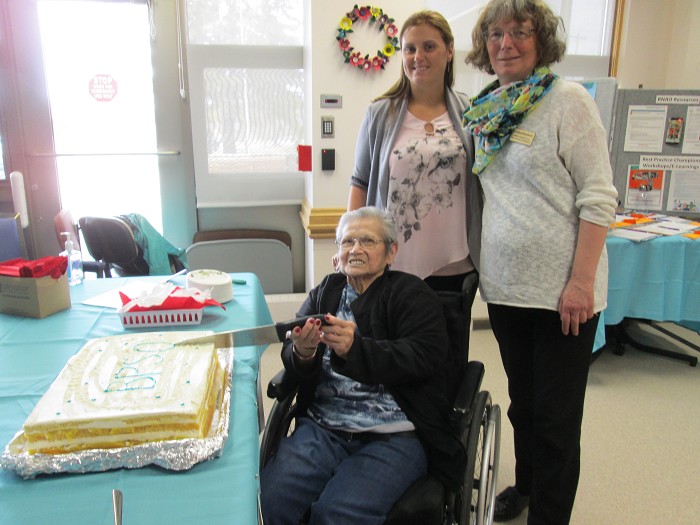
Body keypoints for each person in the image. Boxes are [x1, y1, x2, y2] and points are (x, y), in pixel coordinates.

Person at [463, 1, 618, 523]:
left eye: (520, 32)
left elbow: (599, 197)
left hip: (562, 297)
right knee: (524, 406)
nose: (506, 43)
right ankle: (527, 486)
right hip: (507, 290)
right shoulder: (487, 109)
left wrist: (580, 282)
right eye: (495, 34)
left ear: (541, 40)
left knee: (555, 421)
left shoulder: (568, 101)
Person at [260, 206, 465, 525]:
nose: (355, 249)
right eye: (347, 242)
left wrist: (358, 349)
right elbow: (292, 351)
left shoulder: (412, 295)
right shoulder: (324, 293)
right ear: (337, 253)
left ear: (390, 252)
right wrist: (303, 352)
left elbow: (425, 355)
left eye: (367, 241)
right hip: (323, 425)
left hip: (395, 434)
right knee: (273, 497)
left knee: (337, 514)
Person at [348, 10, 482, 293]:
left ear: (449, 52)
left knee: (450, 339)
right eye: (410, 49)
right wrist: (350, 244)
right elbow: (360, 183)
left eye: (429, 47)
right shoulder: (379, 114)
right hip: (392, 266)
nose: (418, 56)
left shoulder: (471, 112)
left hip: (455, 267)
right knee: (387, 339)